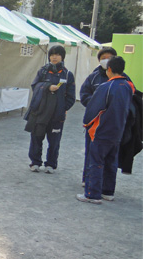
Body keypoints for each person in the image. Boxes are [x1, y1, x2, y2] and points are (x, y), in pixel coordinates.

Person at [77, 56, 135, 204]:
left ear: (109, 69)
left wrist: (87, 125)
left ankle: (92, 194)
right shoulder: (128, 86)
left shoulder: (106, 87)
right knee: (111, 162)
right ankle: (108, 192)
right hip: (118, 131)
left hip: (102, 131)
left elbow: (94, 109)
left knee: (95, 161)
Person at [24, 45, 75, 173]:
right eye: (52, 54)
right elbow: (34, 86)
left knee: (54, 141)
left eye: (57, 54)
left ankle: (51, 164)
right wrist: (48, 87)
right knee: (36, 138)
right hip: (40, 113)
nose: (54, 57)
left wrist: (62, 108)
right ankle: (35, 162)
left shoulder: (68, 74)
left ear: (62, 57)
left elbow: (71, 96)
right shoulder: (43, 71)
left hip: (57, 115)